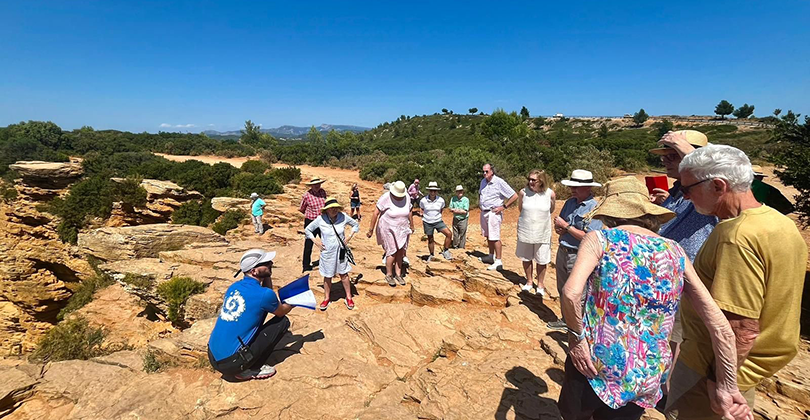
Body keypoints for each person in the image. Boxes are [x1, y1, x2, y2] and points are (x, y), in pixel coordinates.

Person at [558, 177, 752, 420]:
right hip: (647, 371)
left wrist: (576, 340)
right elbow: (721, 327)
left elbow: (571, 292)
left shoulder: (600, 239)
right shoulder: (674, 250)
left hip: (595, 361)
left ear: (608, 213)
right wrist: (727, 386)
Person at [666, 145, 807, 419]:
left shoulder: (736, 236)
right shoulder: (780, 223)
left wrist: (721, 383)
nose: (684, 196)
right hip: (745, 367)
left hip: (709, 368)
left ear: (718, 186)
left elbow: (741, 327)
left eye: (687, 189)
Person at [649, 130, 718, 402]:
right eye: (664, 155)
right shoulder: (677, 190)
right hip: (665, 276)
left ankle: (669, 395)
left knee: (676, 339)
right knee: (664, 335)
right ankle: (660, 388)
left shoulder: (709, 189)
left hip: (687, 278)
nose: (666, 160)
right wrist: (660, 206)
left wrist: (687, 150)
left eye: (673, 155)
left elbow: (713, 178)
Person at [207, 249, 293, 381]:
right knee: (282, 322)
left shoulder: (234, 287)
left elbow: (267, 295)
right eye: (266, 263)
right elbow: (281, 311)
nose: (271, 263)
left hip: (213, 356)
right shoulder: (263, 295)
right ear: (254, 271)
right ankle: (251, 369)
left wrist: (266, 273)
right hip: (232, 363)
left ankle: (244, 362)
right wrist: (296, 301)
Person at [547, 169, 603, 331]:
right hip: (563, 250)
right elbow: (562, 224)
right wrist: (561, 229)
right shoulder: (570, 203)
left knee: (577, 292)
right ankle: (566, 320)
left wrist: (566, 227)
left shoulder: (594, 208)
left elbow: (589, 237)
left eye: (576, 187)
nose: (572, 189)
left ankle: (578, 326)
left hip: (579, 255)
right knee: (563, 288)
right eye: (572, 186)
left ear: (588, 188)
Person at [305, 198, 360, 311]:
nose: (334, 210)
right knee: (328, 275)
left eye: (336, 208)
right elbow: (308, 230)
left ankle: (348, 297)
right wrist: (316, 242)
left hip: (341, 251)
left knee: (344, 274)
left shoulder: (343, 216)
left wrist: (349, 238)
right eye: (331, 208)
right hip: (327, 252)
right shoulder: (320, 219)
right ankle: (326, 298)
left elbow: (355, 225)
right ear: (326, 210)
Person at [516, 169, 555, 296]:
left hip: (542, 231)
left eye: (533, 180)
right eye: (529, 179)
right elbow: (521, 209)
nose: (530, 182)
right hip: (526, 230)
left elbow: (551, 210)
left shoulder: (550, 194)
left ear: (541, 181)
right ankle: (529, 281)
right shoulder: (523, 193)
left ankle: (540, 284)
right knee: (526, 257)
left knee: (542, 259)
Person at [367, 180, 413, 287]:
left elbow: (409, 211)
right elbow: (376, 213)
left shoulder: (407, 197)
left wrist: (412, 224)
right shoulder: (386, 197)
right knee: (392, 251)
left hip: (402, 228)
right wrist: (371, 229)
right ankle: (389, 274)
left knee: (401, 250)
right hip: (388, 227)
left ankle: (398, 274)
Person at [478, 163, 518, 270]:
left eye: (486, 171)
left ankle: (499, 260)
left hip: (493, 213)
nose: (484, 173)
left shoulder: (499, 182)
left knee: (495, 236)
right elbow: (480, 194)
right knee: (488, 235)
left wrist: (503, 207)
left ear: (492, 171)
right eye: (483, 171)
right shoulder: (483, 182)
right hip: (484, 212)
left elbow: (514, 195)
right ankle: (491, 256)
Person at [418, 181, 453, 261]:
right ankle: (431, 254)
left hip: (438, 221)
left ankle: (446, 250)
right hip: (427, 221)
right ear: (429, 191)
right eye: (431, 190)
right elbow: (422, 209)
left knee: (449, 234)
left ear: (437, 191)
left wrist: (437, 216)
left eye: (434, 191)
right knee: (430, 238)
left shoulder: (441, 200)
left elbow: (441, 209)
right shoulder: (423, 200)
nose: (433, 192)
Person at [299, 178, 327, 272]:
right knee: (308, 244)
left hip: (322, 221)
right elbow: (302, 208)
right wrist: (310, 215)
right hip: (311, 221)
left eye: (318, 184)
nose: (317, 186)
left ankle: (327, 262)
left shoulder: (323, 192)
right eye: (315, 184)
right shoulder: (306, 196)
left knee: (326, 241)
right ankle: (306, 266)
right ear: (311, 186)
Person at [449, 185, 469, 249]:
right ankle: (455, 246)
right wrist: (459, 211)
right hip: (455, 218)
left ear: (463, 191)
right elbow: (450, 208)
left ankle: (461, 247)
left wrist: (455, 210)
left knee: (462, 234)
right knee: (455, 233)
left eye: (461, 191)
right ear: (456, 192)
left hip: (463, 219)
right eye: (458, 191)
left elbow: (465, 211)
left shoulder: (466, 200)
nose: (460, 192)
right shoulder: (453, 199)